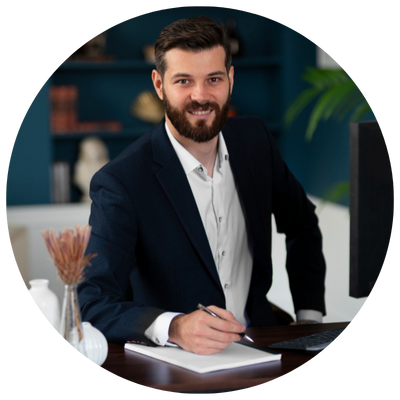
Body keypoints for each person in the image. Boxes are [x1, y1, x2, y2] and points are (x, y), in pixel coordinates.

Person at [78, 16, 326, 355]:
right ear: (159, 85)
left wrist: (309, 319)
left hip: (262, 348)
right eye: (183, 81)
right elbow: (93, 302)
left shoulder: (255, 141)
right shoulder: (121, 182)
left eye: (213, 79)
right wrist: (175, 327)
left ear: (230, 80)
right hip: (176, 365)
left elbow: (303, 225)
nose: (201, 96)